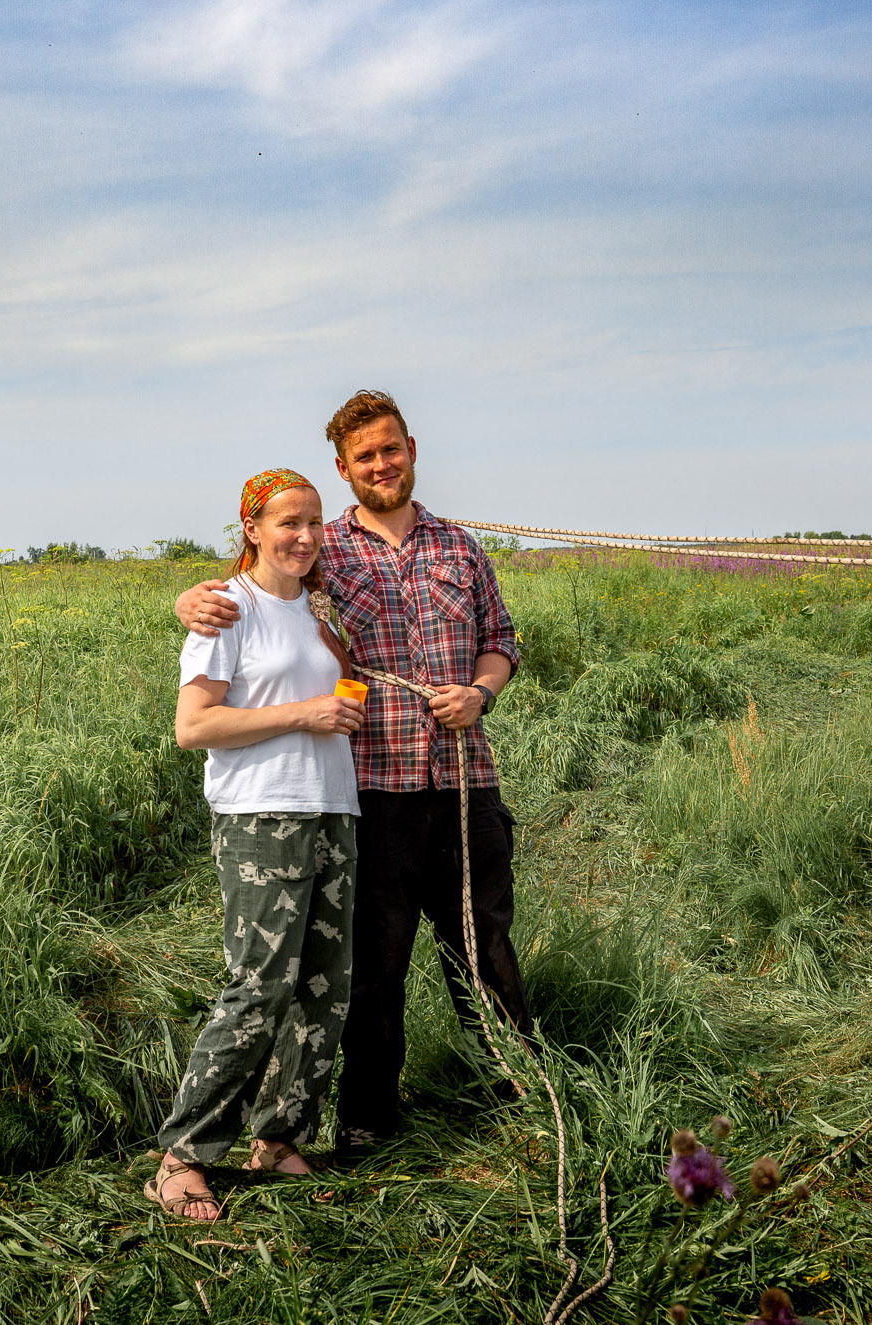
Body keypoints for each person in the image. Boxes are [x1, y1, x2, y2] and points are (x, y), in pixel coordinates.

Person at [175, 390, 527, 1153]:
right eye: (364, 456)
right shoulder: (322, 549)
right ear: (344, 468)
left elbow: (502, 639)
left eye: (390, 448)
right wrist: (186, 599)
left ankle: (517, 1094)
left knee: (485, 946)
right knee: (373, 962)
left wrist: (481, 690)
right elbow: (251, 587)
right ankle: (368, 1116)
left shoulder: (460, 547)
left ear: (411, 448)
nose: (381, 464)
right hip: (372, 792)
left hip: (466, 780)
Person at [146, 468, 366, 1223]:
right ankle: (183, 1154)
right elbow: (194, 726)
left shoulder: (319, 604)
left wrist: (332, 710)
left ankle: (279, 1134)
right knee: (260, 984)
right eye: (286, 522)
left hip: (333, 807)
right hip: (260, 816)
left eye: (313, 522)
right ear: (251, 526)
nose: (303, 536)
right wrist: (305, 714)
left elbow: (338, 689)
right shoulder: (225, 610)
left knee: (321, 983)